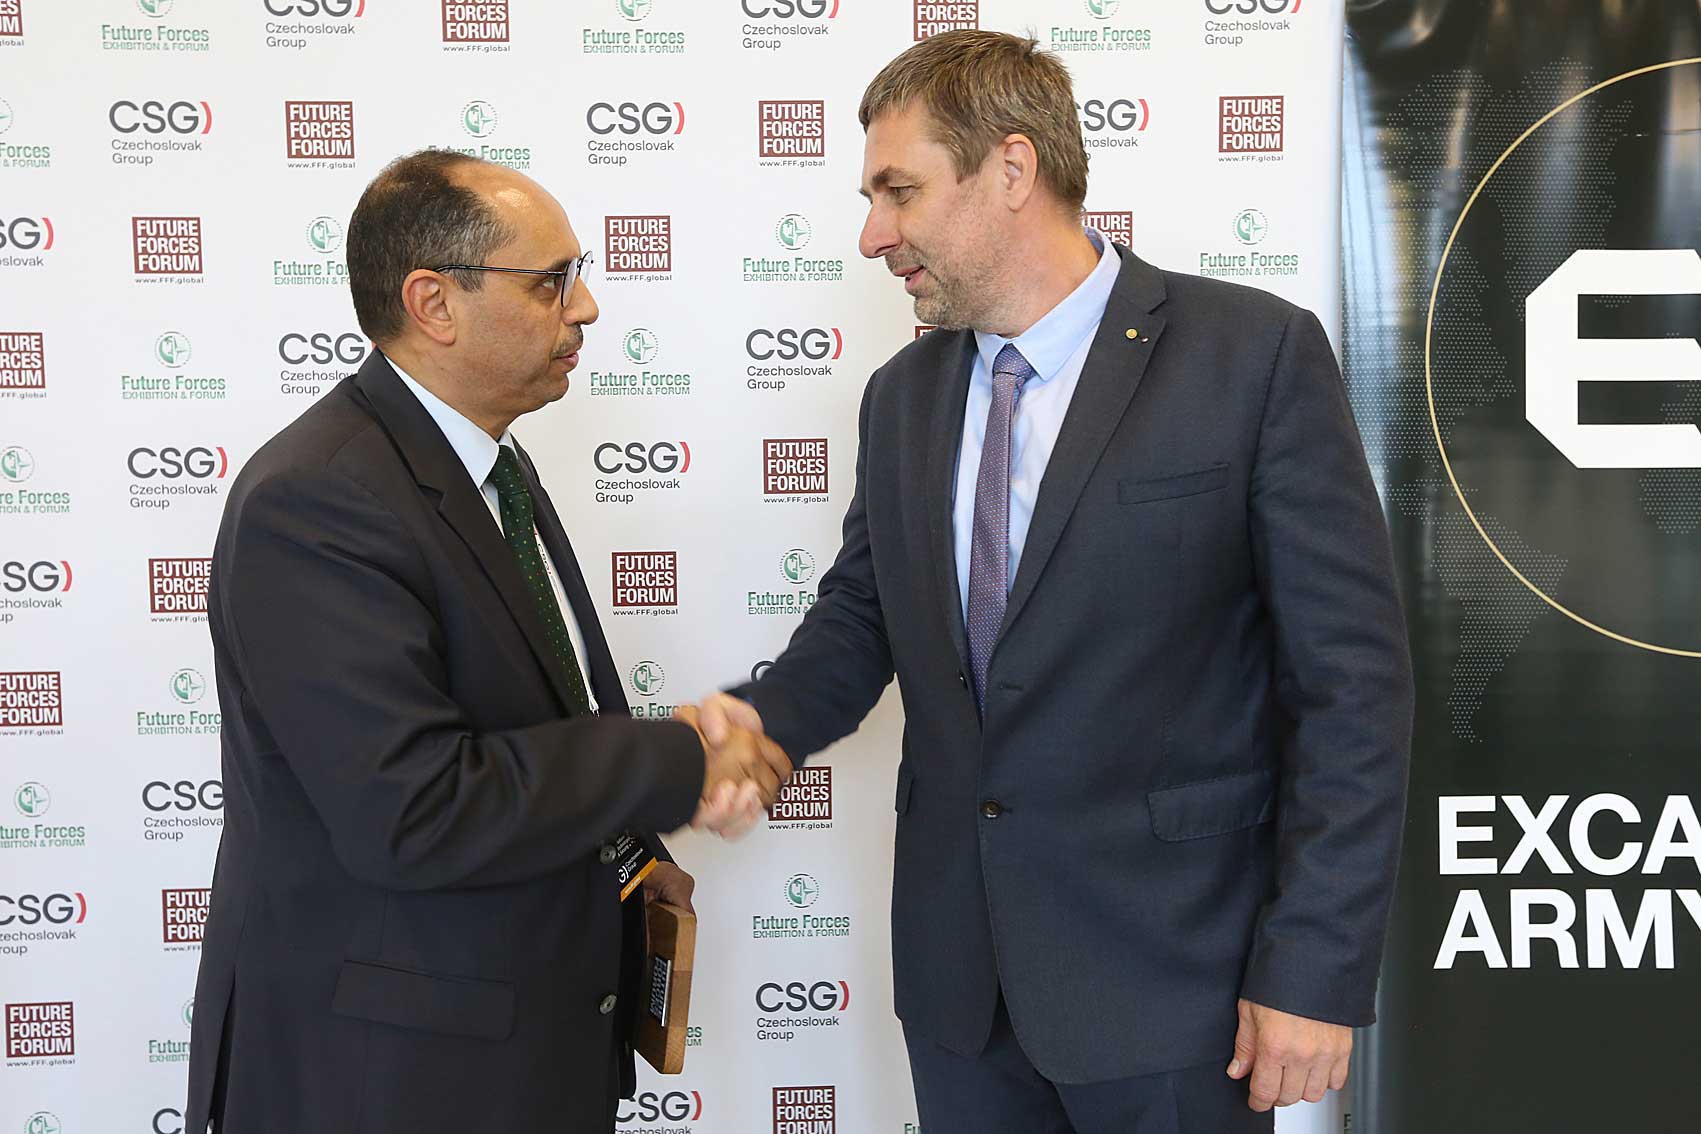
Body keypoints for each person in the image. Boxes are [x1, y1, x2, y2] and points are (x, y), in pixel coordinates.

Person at [693, 31, 1415, 1133]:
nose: (873, 233)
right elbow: (863, 617)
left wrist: (1313, 966)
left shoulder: (1252, 357)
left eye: (899, 191)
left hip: (1180, 990)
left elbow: (1350, 690)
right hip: (961, 992)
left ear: (1012, 169)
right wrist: (762, 726)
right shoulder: (901, 396)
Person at [184, 150, 789, 1134]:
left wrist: (629, 856)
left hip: (516, 1050)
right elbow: (412, 807)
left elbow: (537, 712)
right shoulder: (319, 498)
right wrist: (677, 759)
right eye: (550, 282)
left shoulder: (490, 468)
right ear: (434, 303)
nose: (584, 307)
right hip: (388, 1079)